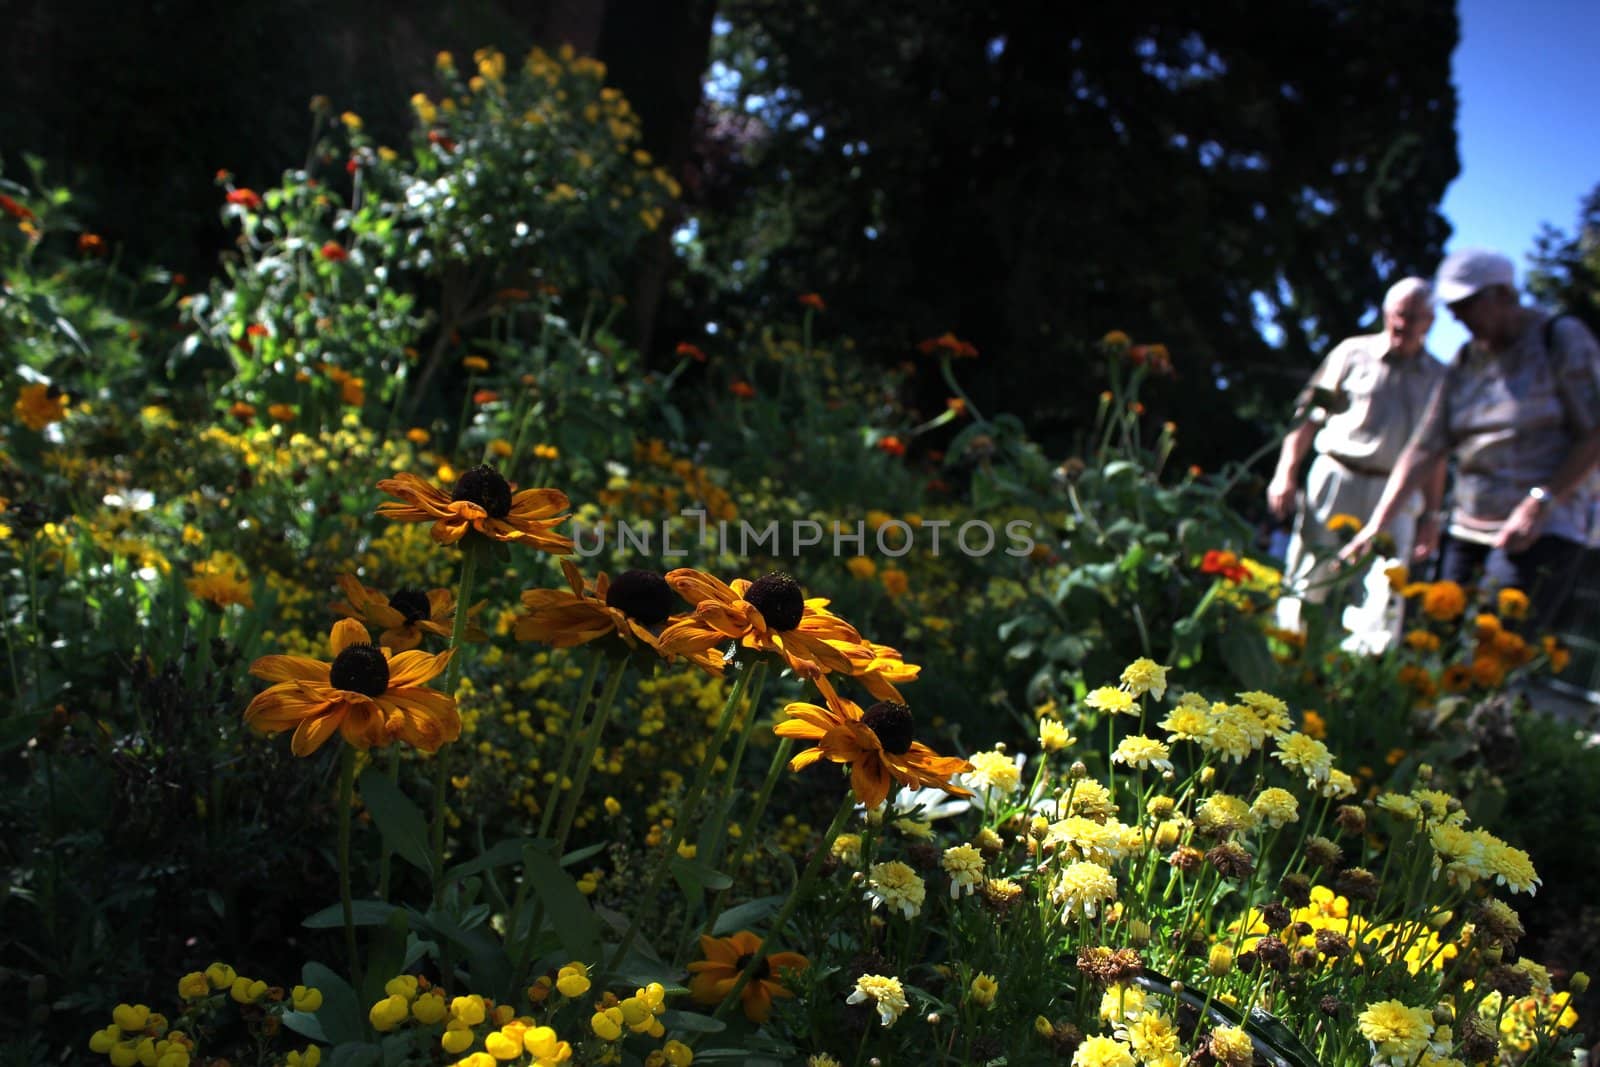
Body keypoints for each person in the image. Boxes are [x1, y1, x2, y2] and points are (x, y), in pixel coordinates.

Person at [1342, 249, 1600, 633]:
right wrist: (1378, 522)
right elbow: (1425, 447)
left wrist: (1540, 502)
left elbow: (1594, 433)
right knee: (1433, 642)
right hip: (1467, 525)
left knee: (1492, 647)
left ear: (1501, 295)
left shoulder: (1558, 339)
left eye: (1466, 305)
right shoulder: (1465, 361)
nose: (1456, 317)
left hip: (1540, 530)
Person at [1268, 277, 1446, 647]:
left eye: (1415, 317)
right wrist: (1286, 473)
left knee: (1388, 586)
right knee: (1308, 571)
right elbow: (1307, 418)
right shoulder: (1351, 353)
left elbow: (1435, 455)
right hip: (1337, 476)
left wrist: (1432, 515)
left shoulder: (1439, 378)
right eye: (1399, 313)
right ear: (1386, 312)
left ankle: (1359, 682)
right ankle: (1284, 654)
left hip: (1397, 495)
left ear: (1430, 322)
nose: (1405, 324)